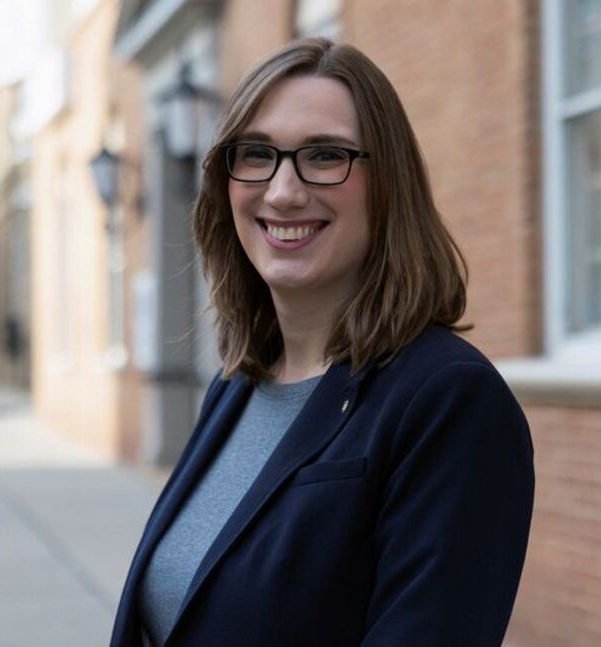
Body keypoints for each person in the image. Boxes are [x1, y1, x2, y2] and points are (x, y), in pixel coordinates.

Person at [110, 37, 534, 647]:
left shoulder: (448, 401)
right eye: (256, 154)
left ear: (387, 182)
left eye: (325, 155)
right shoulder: (238, 385)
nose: (282, 191)